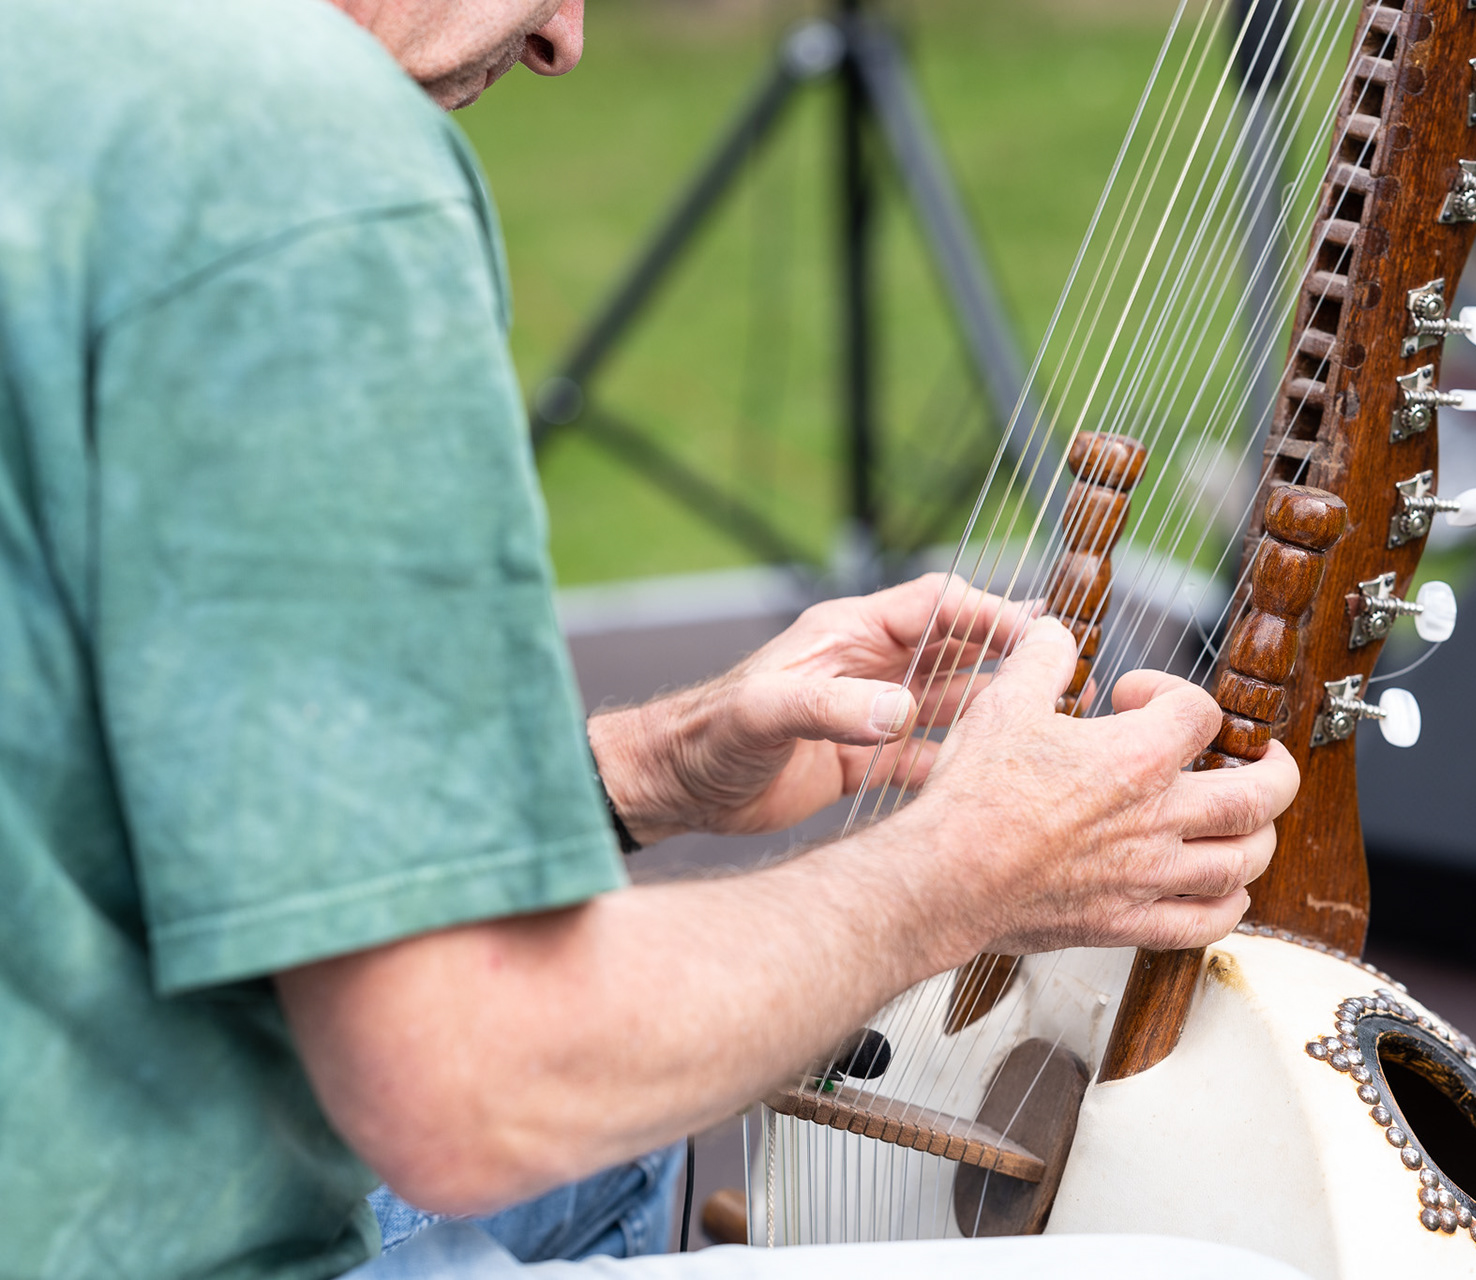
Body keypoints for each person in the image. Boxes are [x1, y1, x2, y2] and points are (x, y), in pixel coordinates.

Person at [0, 1, 1301, 1277]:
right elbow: (474, 1084)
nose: (563, 39)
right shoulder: (302, 155)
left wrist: (639, 768)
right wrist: (974, 864)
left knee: (621, 1155)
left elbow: (87, 780)